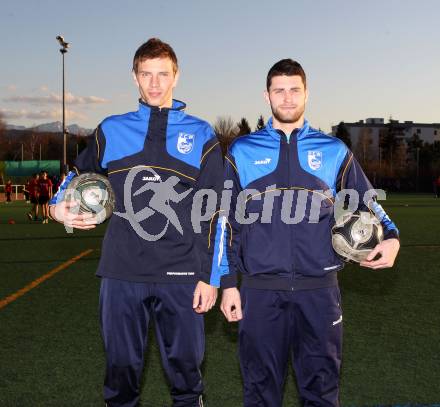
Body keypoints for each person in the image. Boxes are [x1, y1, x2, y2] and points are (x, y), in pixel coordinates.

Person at [216, 59, 400, 406]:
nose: (287, 99)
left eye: (294, 90)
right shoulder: (243, 151)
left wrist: (392, 237)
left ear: (307, 93)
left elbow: (368, 202)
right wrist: (227, 284)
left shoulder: (332, 150)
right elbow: (225, 220)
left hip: (319, 291)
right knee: (259, 393)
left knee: (321, 393)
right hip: (259, 291)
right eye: (279, 91)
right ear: (266, 95)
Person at [50, 38, 223, 407]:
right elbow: (77, 173)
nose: (155, 83)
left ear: (176, 75)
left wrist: (211, 276)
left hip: (182, 274)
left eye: (163, 74)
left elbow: (215, 212)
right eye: (147, 74)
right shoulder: (112, 129)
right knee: (121, 372)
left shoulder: (203, 134)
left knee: (187, 376)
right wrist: (55, 206)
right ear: (134, 77)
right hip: (121, 271)